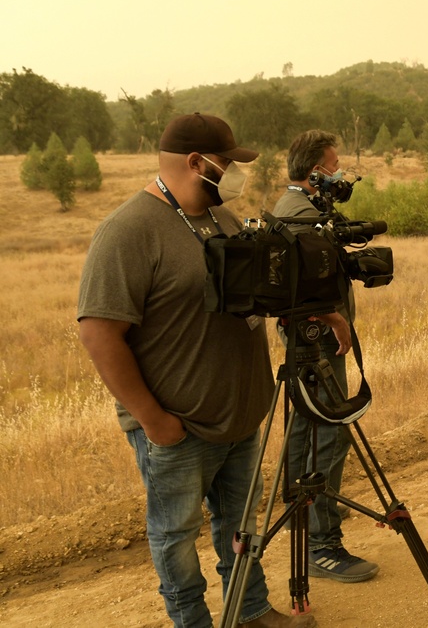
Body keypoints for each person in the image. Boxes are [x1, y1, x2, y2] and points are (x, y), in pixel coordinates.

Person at [78, 113, 350, 627]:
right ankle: (194, 623)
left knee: (241, 525)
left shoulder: (222, 219)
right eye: (227, 164)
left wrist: (319, 307)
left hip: (242, 416)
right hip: (178, 426)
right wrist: (153, 420)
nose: (234, 173)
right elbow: (98, 333)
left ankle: (249, 612)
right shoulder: (127, 230)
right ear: (196, 162)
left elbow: (262, 293)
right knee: (176, 537)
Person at [272, 129, 380, 583]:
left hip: (313, 340)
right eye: (334, 166)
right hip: (316, 342)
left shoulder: (301, 210)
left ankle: (317, 519)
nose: (339, 174)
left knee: (314, 429)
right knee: (326, 432)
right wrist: (333, 317)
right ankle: (321, 544)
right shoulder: (300, 215)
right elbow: (296, 288)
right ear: (316, 170)